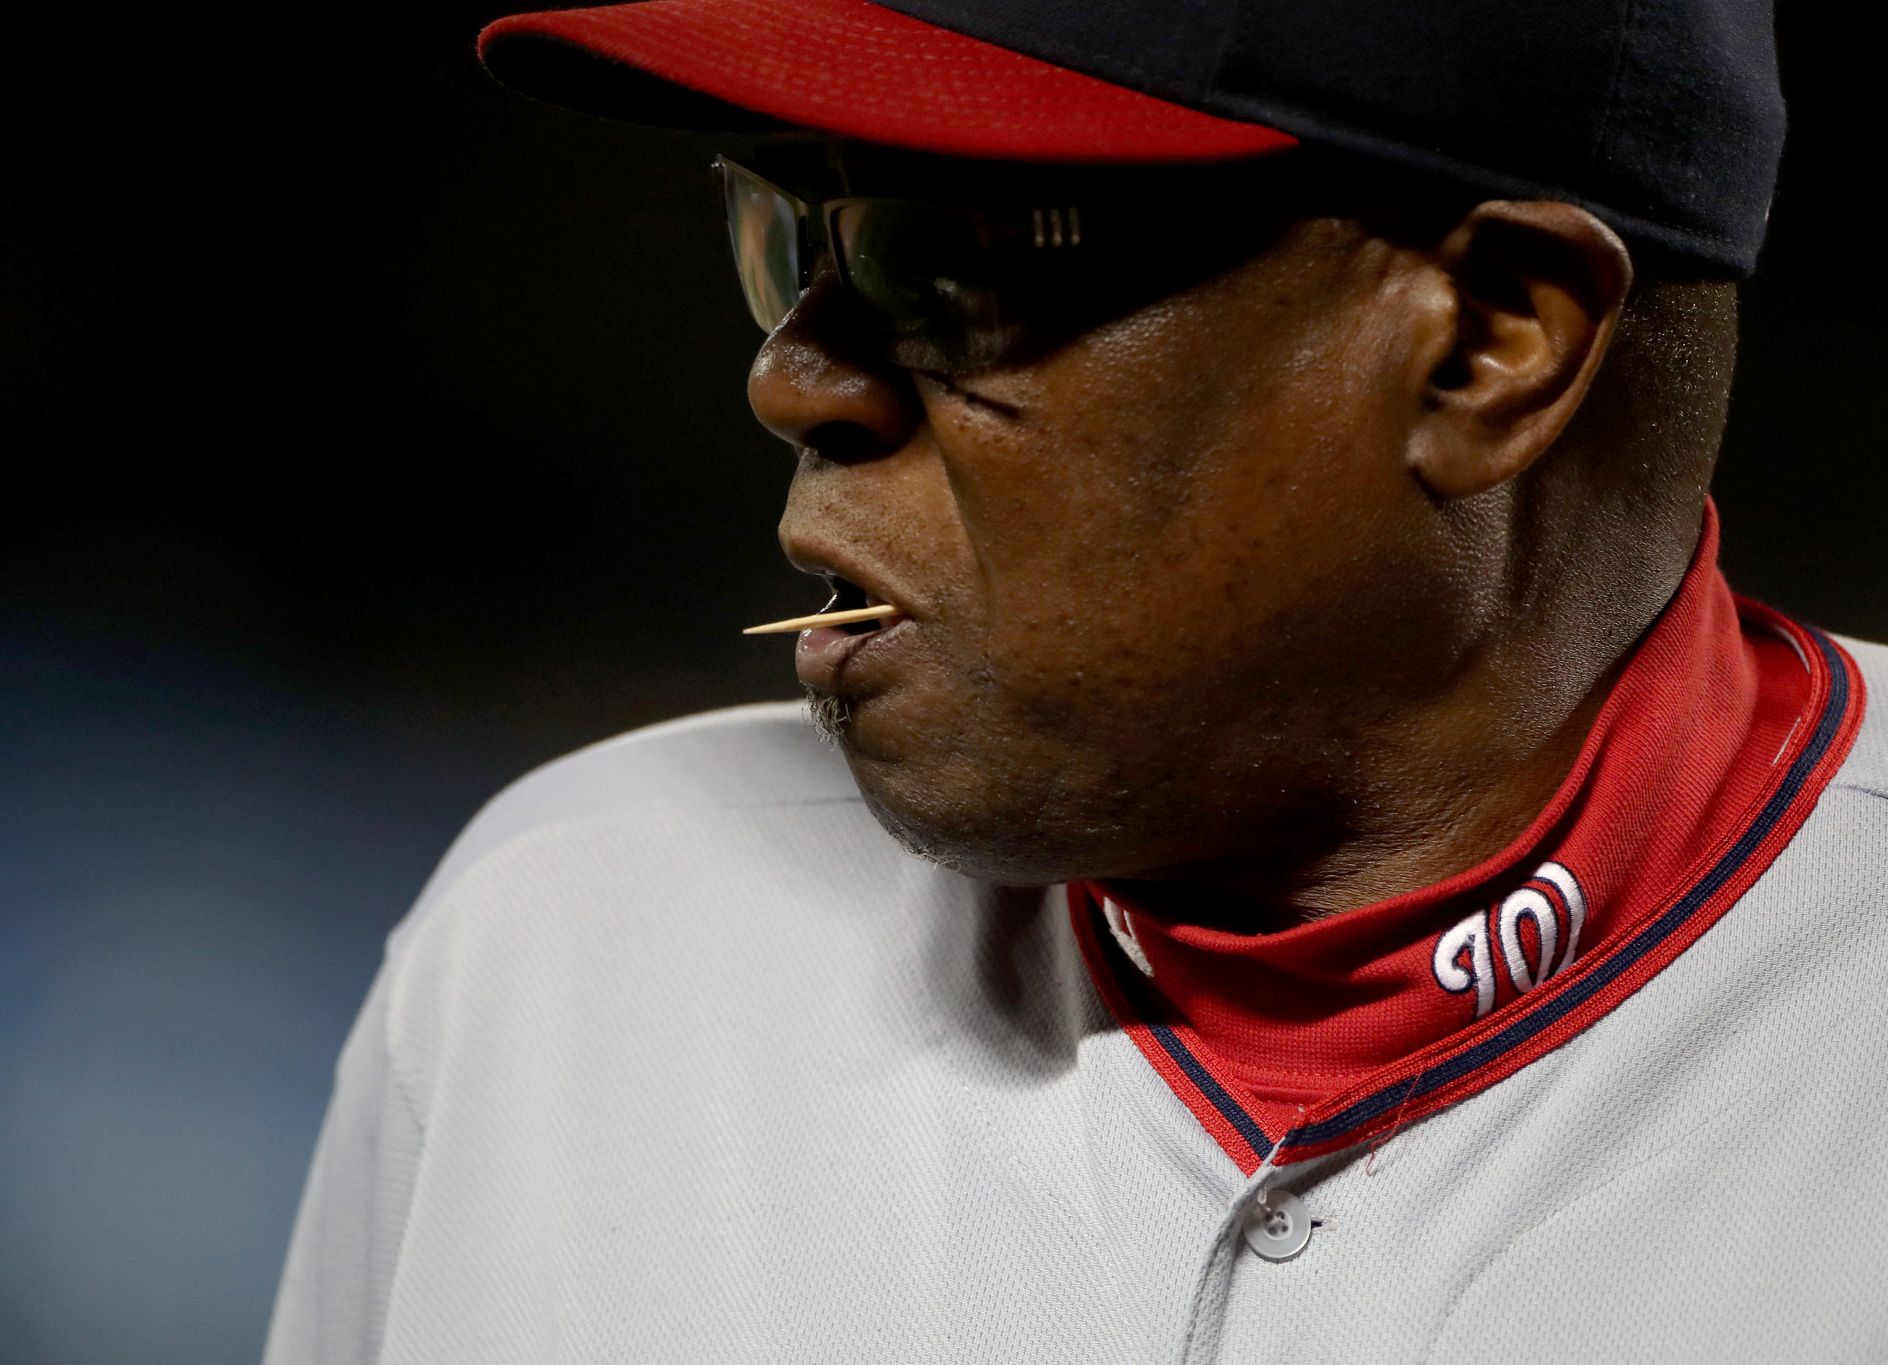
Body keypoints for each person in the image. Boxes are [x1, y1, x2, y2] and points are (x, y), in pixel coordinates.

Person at [265, 1, 1888, 1360]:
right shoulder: (569, 936)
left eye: (944, 256)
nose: (793, 376)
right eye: (790, 231)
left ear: (1486, 337)